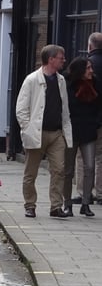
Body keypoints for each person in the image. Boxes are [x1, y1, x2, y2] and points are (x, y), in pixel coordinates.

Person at [16, 44, 72, 219]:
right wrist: (27, 128)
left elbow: (65, 108)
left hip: (56, 133)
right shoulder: (32, 80)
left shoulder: (61, 80)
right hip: (37, 132)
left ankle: (56, 206)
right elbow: (21, 109)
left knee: (59, 170)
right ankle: (30, 205)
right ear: (51, 59)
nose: (64, 60)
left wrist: (65, 130)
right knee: (31, 172)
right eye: (61, 57)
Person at [64, 57, 98, 217]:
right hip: (71, 131)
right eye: (88, 68)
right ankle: (67, 204)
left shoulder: (95, 83)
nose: (91, 70)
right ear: (80, 71)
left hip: (89, 131)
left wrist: (97, 122)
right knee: (68, 170)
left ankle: (86, 203)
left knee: (90, 167)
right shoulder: (67, 83)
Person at [86, 32, 102, 203]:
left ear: (90, 46)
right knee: (100, 157)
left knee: (83, 157)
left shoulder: (86, 65)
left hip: (87, 118)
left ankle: (84, 193)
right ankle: (101, 193)